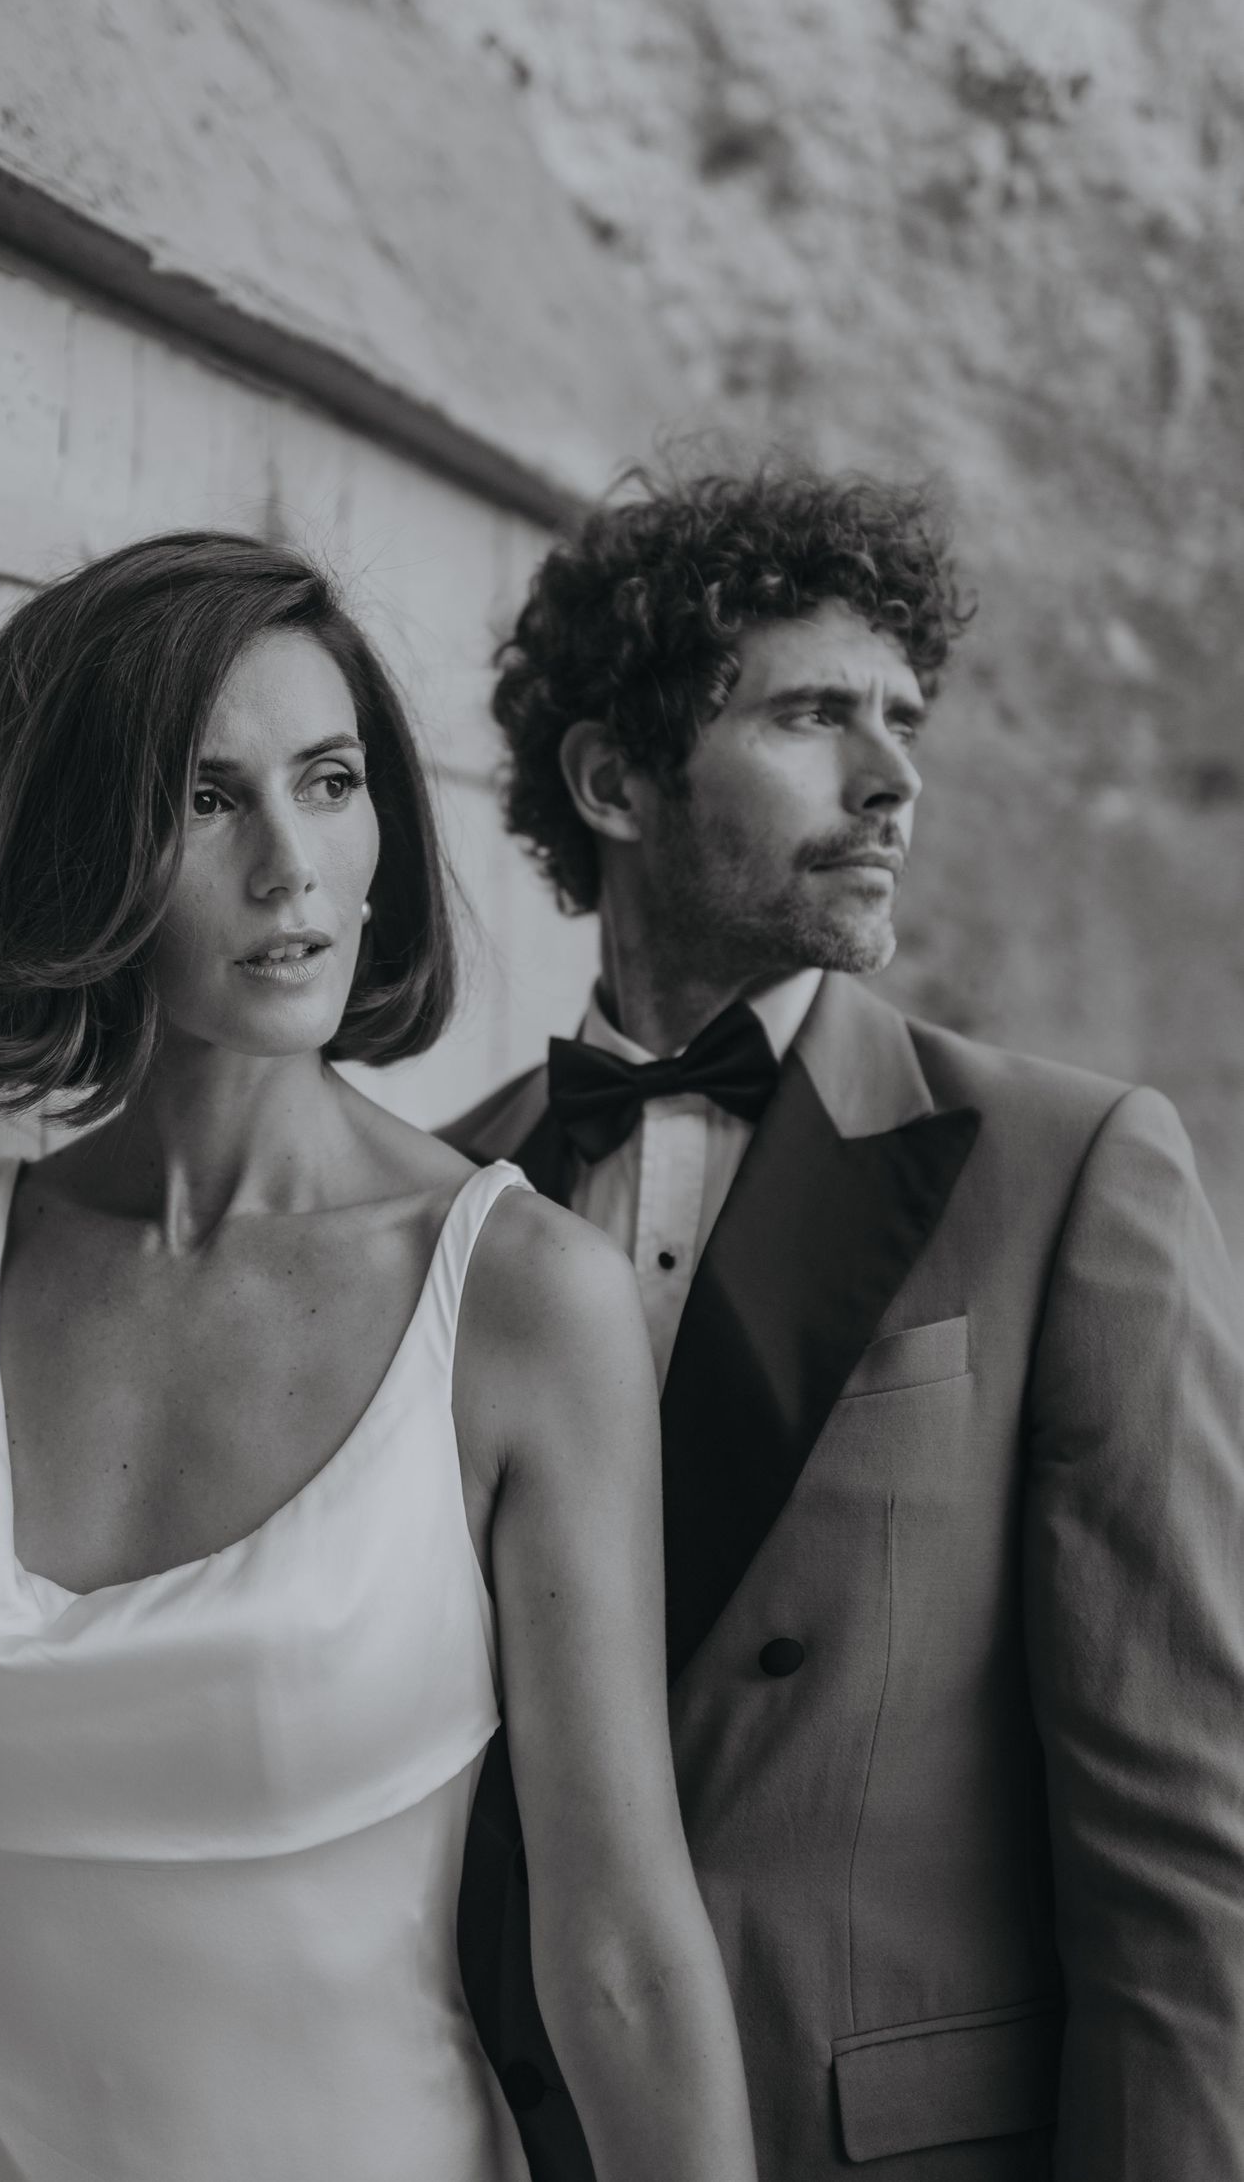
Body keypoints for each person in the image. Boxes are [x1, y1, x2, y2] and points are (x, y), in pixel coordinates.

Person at [0, 532, 757, 2182]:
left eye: (331, 778)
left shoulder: (514, 1297)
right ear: (84, 848)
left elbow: (620, 1947)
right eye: (209, 799)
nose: (291, 864)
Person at [448, 466, 1244, 2182]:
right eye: (814, 716)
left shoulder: (1069, 1167)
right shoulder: (446, 1194)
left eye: (903, 718)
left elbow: (1187, 1847)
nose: (894, 780)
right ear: (613, 782)